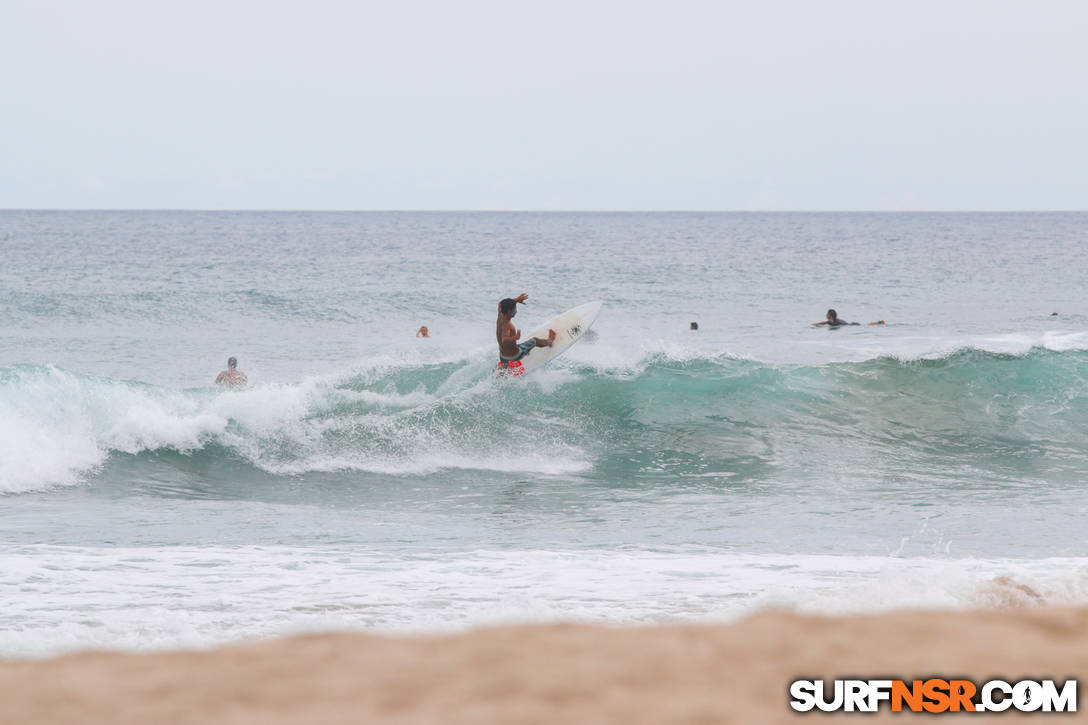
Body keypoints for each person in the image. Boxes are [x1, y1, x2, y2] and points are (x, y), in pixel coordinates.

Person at [496, 293, 556, 369]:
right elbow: (505, 338)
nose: (516, 311)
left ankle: (504, 369)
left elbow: (500, 303)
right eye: (515, 309)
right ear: (509, 311)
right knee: (535, 340)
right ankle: (550, 341)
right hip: (515, 355)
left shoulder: (500, 317)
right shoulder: (508, 326)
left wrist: (516, 300)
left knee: (505, 362)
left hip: (502, 356)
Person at [811, 309, 884, 327]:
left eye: (827, 314)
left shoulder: (836, 322)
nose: (826, 315)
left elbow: (824, 323)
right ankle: (879, 322)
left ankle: (879, 322)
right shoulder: (831, 321)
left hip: (852, 325)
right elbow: (823, 322)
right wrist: (814, 324)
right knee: (866, 324)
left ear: (830, 315)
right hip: (851, 324)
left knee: (866, 325)